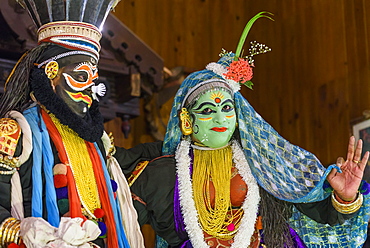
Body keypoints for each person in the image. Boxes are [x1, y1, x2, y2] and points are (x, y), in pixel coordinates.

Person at [129, 12, 370, 247]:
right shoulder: (161, 174)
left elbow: (321, 214)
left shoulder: (263, 163)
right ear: (187, 120)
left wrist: (345, 197)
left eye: (226, 108)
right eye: (207, 111)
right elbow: (121, 221)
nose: (220, 117)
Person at [0, 0, 162, 247]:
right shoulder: (13, 134)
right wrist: (27, 234)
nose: (91, 90)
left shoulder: (98, 141)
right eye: (81, 77)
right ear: (51, 72)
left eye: (94, 81)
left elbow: (132, 165)